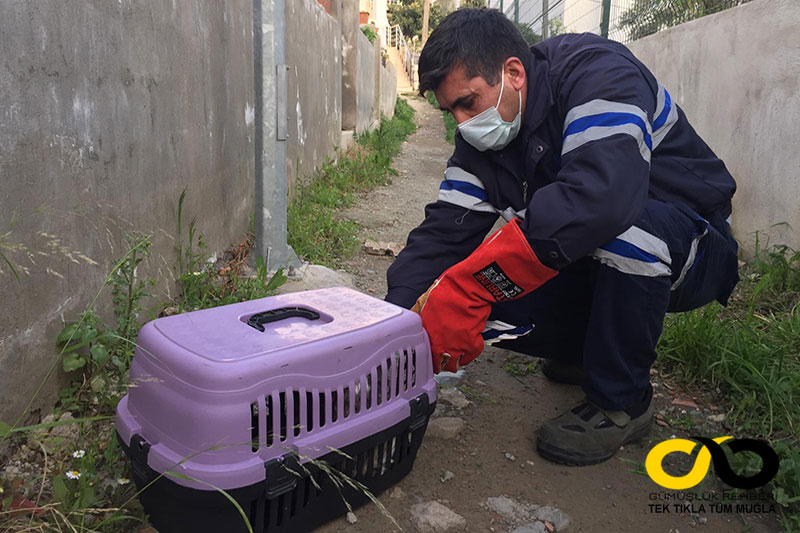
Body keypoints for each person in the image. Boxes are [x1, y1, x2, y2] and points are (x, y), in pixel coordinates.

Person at [385, 9, 740, 466]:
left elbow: (602, 199)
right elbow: (441, 234)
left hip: (691, 242)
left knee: (614, 231)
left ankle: (623, 403)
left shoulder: (598, 73)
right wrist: (394, 325)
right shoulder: (481, 143)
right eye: (450, 110)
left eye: (468, 103)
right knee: (469, 306)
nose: (461, 122)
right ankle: (582, 350)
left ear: (512, 73)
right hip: (594, 251)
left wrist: (475, 284)